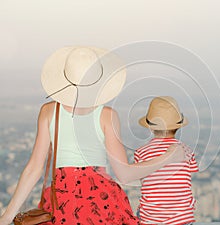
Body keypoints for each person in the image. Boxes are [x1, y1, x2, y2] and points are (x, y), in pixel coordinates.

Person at [0, 47, 188, 225]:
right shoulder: (107, 115)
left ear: (66, 78)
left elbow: (34, 169)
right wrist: (168, 157)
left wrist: (7, 217)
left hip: (64, 201)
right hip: (102, 201)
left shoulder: (49, 112)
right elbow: (125, 174)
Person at [134, 96, 199, 225]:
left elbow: (142, 179)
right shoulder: (186, 150)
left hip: (151, 219)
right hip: (182, 217)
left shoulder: (141, 153)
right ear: (178, 126)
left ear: (151, 127)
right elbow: (188, 176)